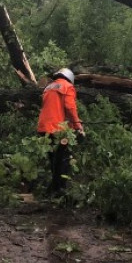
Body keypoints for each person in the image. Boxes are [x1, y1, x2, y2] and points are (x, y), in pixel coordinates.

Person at [37, 68, 84, 196]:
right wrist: (78, 126)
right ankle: (60, 191)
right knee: (64, 159)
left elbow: (54, 109)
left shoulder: (48, 87)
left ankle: (53, 189)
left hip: (43, 128)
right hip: (57, 129)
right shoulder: (68, 86)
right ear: (69, 78)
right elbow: (70, 107)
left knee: (53, 160)